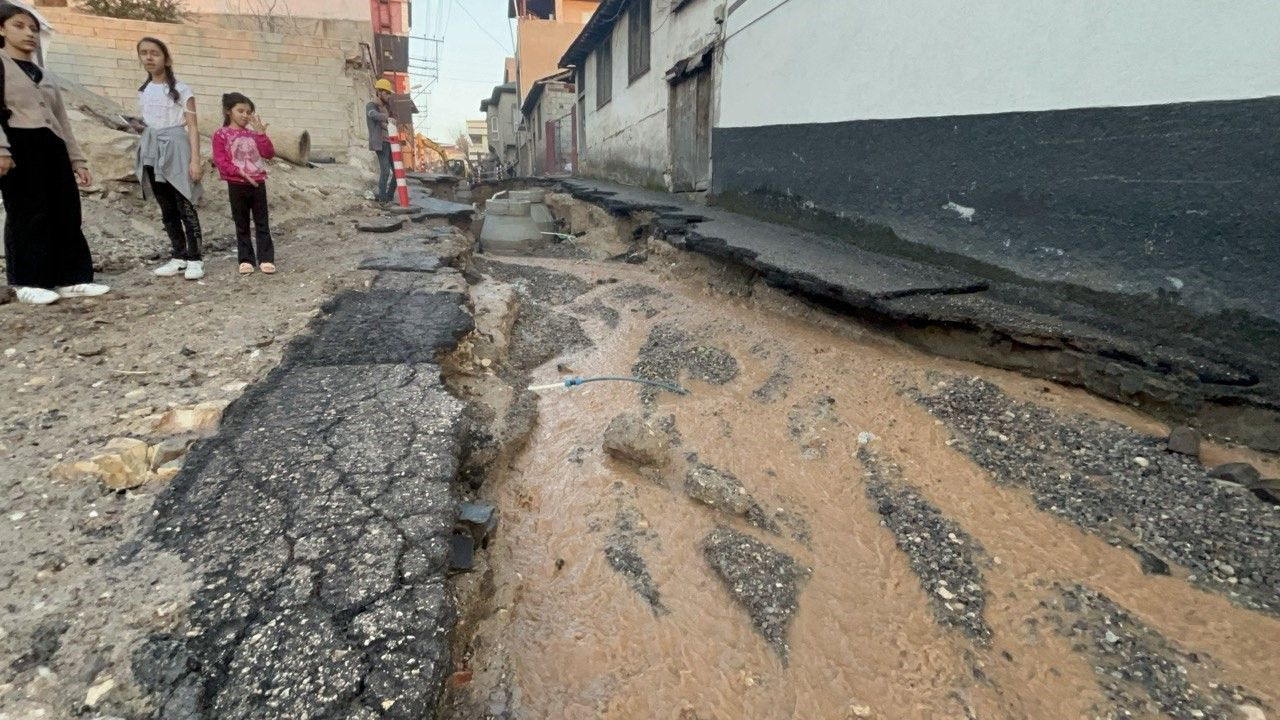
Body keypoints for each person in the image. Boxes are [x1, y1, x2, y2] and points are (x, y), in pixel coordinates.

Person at [0, 3, 109, 305]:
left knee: (65, 211)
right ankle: (27, 281)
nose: (29, 33)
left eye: (33, 29)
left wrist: (77, 159)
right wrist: (1, 149)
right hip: (19, 143)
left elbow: (62, 120)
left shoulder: (44, 74)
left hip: (53, 146)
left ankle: (71, 278)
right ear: (2, 29)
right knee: (27, 212)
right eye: (19, 26)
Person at [135, 36, 205, 280]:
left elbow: (193, 126)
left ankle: (195, 258)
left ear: (166, 58)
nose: (149, 57)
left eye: (154, 53)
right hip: (152, 147)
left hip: (176, 147)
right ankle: (179, 255)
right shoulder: (143, 91)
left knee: (185, 203)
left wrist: (195, 159)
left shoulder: (182, 90)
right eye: (144, 53)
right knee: (166, 206)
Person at [212, 92, 276, 275]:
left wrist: (262, 134)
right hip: (237, 184)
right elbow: (221, 160)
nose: (245, 115)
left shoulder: (254, 135)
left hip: (257, 183)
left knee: (262, 222)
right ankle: (246, 259)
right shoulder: (221, 134)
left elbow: (268, 153)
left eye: (248, 112)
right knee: (242, 224)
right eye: (240, 111)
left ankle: (266, 258)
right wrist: (238, 172)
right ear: (228, 111)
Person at [366, 78, 395, 205]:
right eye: (386, 93)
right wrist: (387, 118)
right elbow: (373, 115)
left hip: (390, 142)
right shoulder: (371, 105)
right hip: (381, 143)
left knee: (398, 172)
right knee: (385, 171)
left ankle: (389, 196)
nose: (388, 95)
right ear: (379, 92)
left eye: (389, 93)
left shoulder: (386, 107)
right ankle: (383, 200)